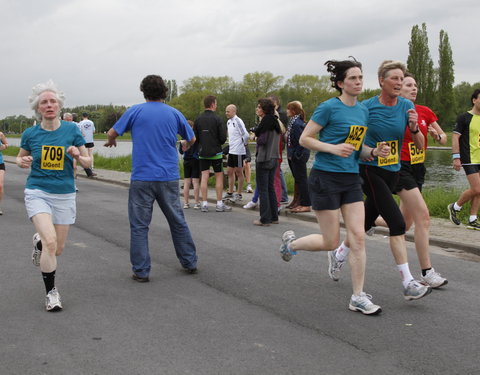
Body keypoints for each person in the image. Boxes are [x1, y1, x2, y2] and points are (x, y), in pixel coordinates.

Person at [279, 58, 389, 315]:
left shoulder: (362, 111)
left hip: (351, 179)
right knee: (331, 241)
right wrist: (332, 148)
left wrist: (374, 151)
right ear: (341, 83)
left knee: (358, 237)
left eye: (360, 77)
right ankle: (291, 245)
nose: (358, 81)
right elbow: (305, 139)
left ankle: (358, 296)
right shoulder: (328, 108)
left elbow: (356, 148)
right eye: (353, 78)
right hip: (325, 178)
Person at [105, 75, 198, 281]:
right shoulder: (174, 113)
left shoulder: (135, 111)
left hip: (142, 176)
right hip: (168, 176)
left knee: (139, 225)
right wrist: (185, 144)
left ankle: (141, 271)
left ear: (143, 91)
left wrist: (111, 140)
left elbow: (112, 132)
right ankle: (189, 261)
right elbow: (191, 138)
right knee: (177, 220)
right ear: (164, 91)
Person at [354, 60, 431, 301]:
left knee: (364, 222)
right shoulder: (366, 107)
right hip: (369, 169)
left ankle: (338, 252)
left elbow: (420, 146)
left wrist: (414, 128)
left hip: (393, 170)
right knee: (398, 224)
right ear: (381, 82)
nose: (399, 83)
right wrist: (374, 152)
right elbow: (355, 144)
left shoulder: (407, 105)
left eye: (402, 79)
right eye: (395, 79)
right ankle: (408, 281)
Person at [16, 80, 91, 311]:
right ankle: (52, 293)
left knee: (57, 248)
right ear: (38, 108)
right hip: (37, 191)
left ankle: (39, 242)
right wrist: (22, 161)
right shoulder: (30, 133)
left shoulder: (72, 130)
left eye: (53, 101)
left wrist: (77, 154)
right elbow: (19, 158)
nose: (49, 105)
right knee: (51, 243)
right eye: (44, 102)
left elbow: (89, 161)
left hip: (65, 194)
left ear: (59, 106)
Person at [372, 73, 448, 288]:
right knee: (423, 216)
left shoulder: (424, 112)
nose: (413, 88)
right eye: (408, 85)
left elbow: (443, 138)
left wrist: (437, 136)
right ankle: (427, 272)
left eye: (415, 85)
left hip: (418, 166)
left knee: (405, 223)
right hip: (399, 166)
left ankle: (367, 220)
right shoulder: (394, 111)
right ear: (397, 87)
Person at [448, 88, 480, 230]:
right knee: (478, 188)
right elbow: (455, 137)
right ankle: (455, 206)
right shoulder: (464, 118)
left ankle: (473, 218)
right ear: (474, 100)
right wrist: (456, 157)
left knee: (479, 190)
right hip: (469, 158)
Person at [194, 95, 231, 213]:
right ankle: (219, 203)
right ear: (212, 104)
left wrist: (201, 145)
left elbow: (195, 137)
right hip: (216, 152)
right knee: (218, 175)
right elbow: (223, 137)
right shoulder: (218, 119)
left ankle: (204, 203)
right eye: (216, 103)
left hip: (203, 152)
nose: (217, 105)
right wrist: (217, 144)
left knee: (204, 176)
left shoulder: (198, 119)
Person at [253, 98, 281, 226]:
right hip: (274, 157)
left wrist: (255, 136)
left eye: (259, 107)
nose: (257, 109)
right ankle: (274, 216)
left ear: (264, 109)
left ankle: (264, 218)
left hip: (264, 157)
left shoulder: (266, 122)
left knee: (263, 189)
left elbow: (262, 140)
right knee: (270, 188)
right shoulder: (275, 121)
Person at [285, 101, 311, 212]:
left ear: (293, 111)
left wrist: (296, 154)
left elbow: (302, 141)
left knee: (302, 179)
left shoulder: (297, 123)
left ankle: (306, 203)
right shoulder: (292, 122)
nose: (286, 111)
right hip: (292, 154)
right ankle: (298, 201)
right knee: (298, 179)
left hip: (299, 155)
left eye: (288, 109)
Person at [223, 104, 249, 203]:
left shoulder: (238, 121)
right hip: (231, 151)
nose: (226, 113)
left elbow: (245, 134)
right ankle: (230, 192)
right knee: (230, 172)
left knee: (239, 172)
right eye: (226, 111)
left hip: (238, 151)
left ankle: (239, 194)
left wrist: (244, 144)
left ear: (234, 111)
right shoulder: (228, 122)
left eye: (228, 111)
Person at [180, 120, 201, 209]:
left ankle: (186, 202)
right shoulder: (195, 137)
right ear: (192, 127)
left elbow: (181, 151)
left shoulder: (183, 138)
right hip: (195, 160)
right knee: (195, 182)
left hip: (186, 160)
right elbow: (199, 149)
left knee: (186, 182)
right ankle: (196, 202)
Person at [78, 113, 96, 178]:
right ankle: (92, 166)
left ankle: (86, 166)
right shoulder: (91, 122)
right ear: (87, 116)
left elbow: (79, 131)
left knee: (85, 155)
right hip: (90, 139)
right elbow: (94, 131)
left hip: (84, 140)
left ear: (82, 116)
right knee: (91, 153)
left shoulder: (81, 123)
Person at [0, 131, 9, 215]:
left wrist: (3, 146)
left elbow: (7, 144)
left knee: (0, 185)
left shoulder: (0, 134)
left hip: (0, 163)